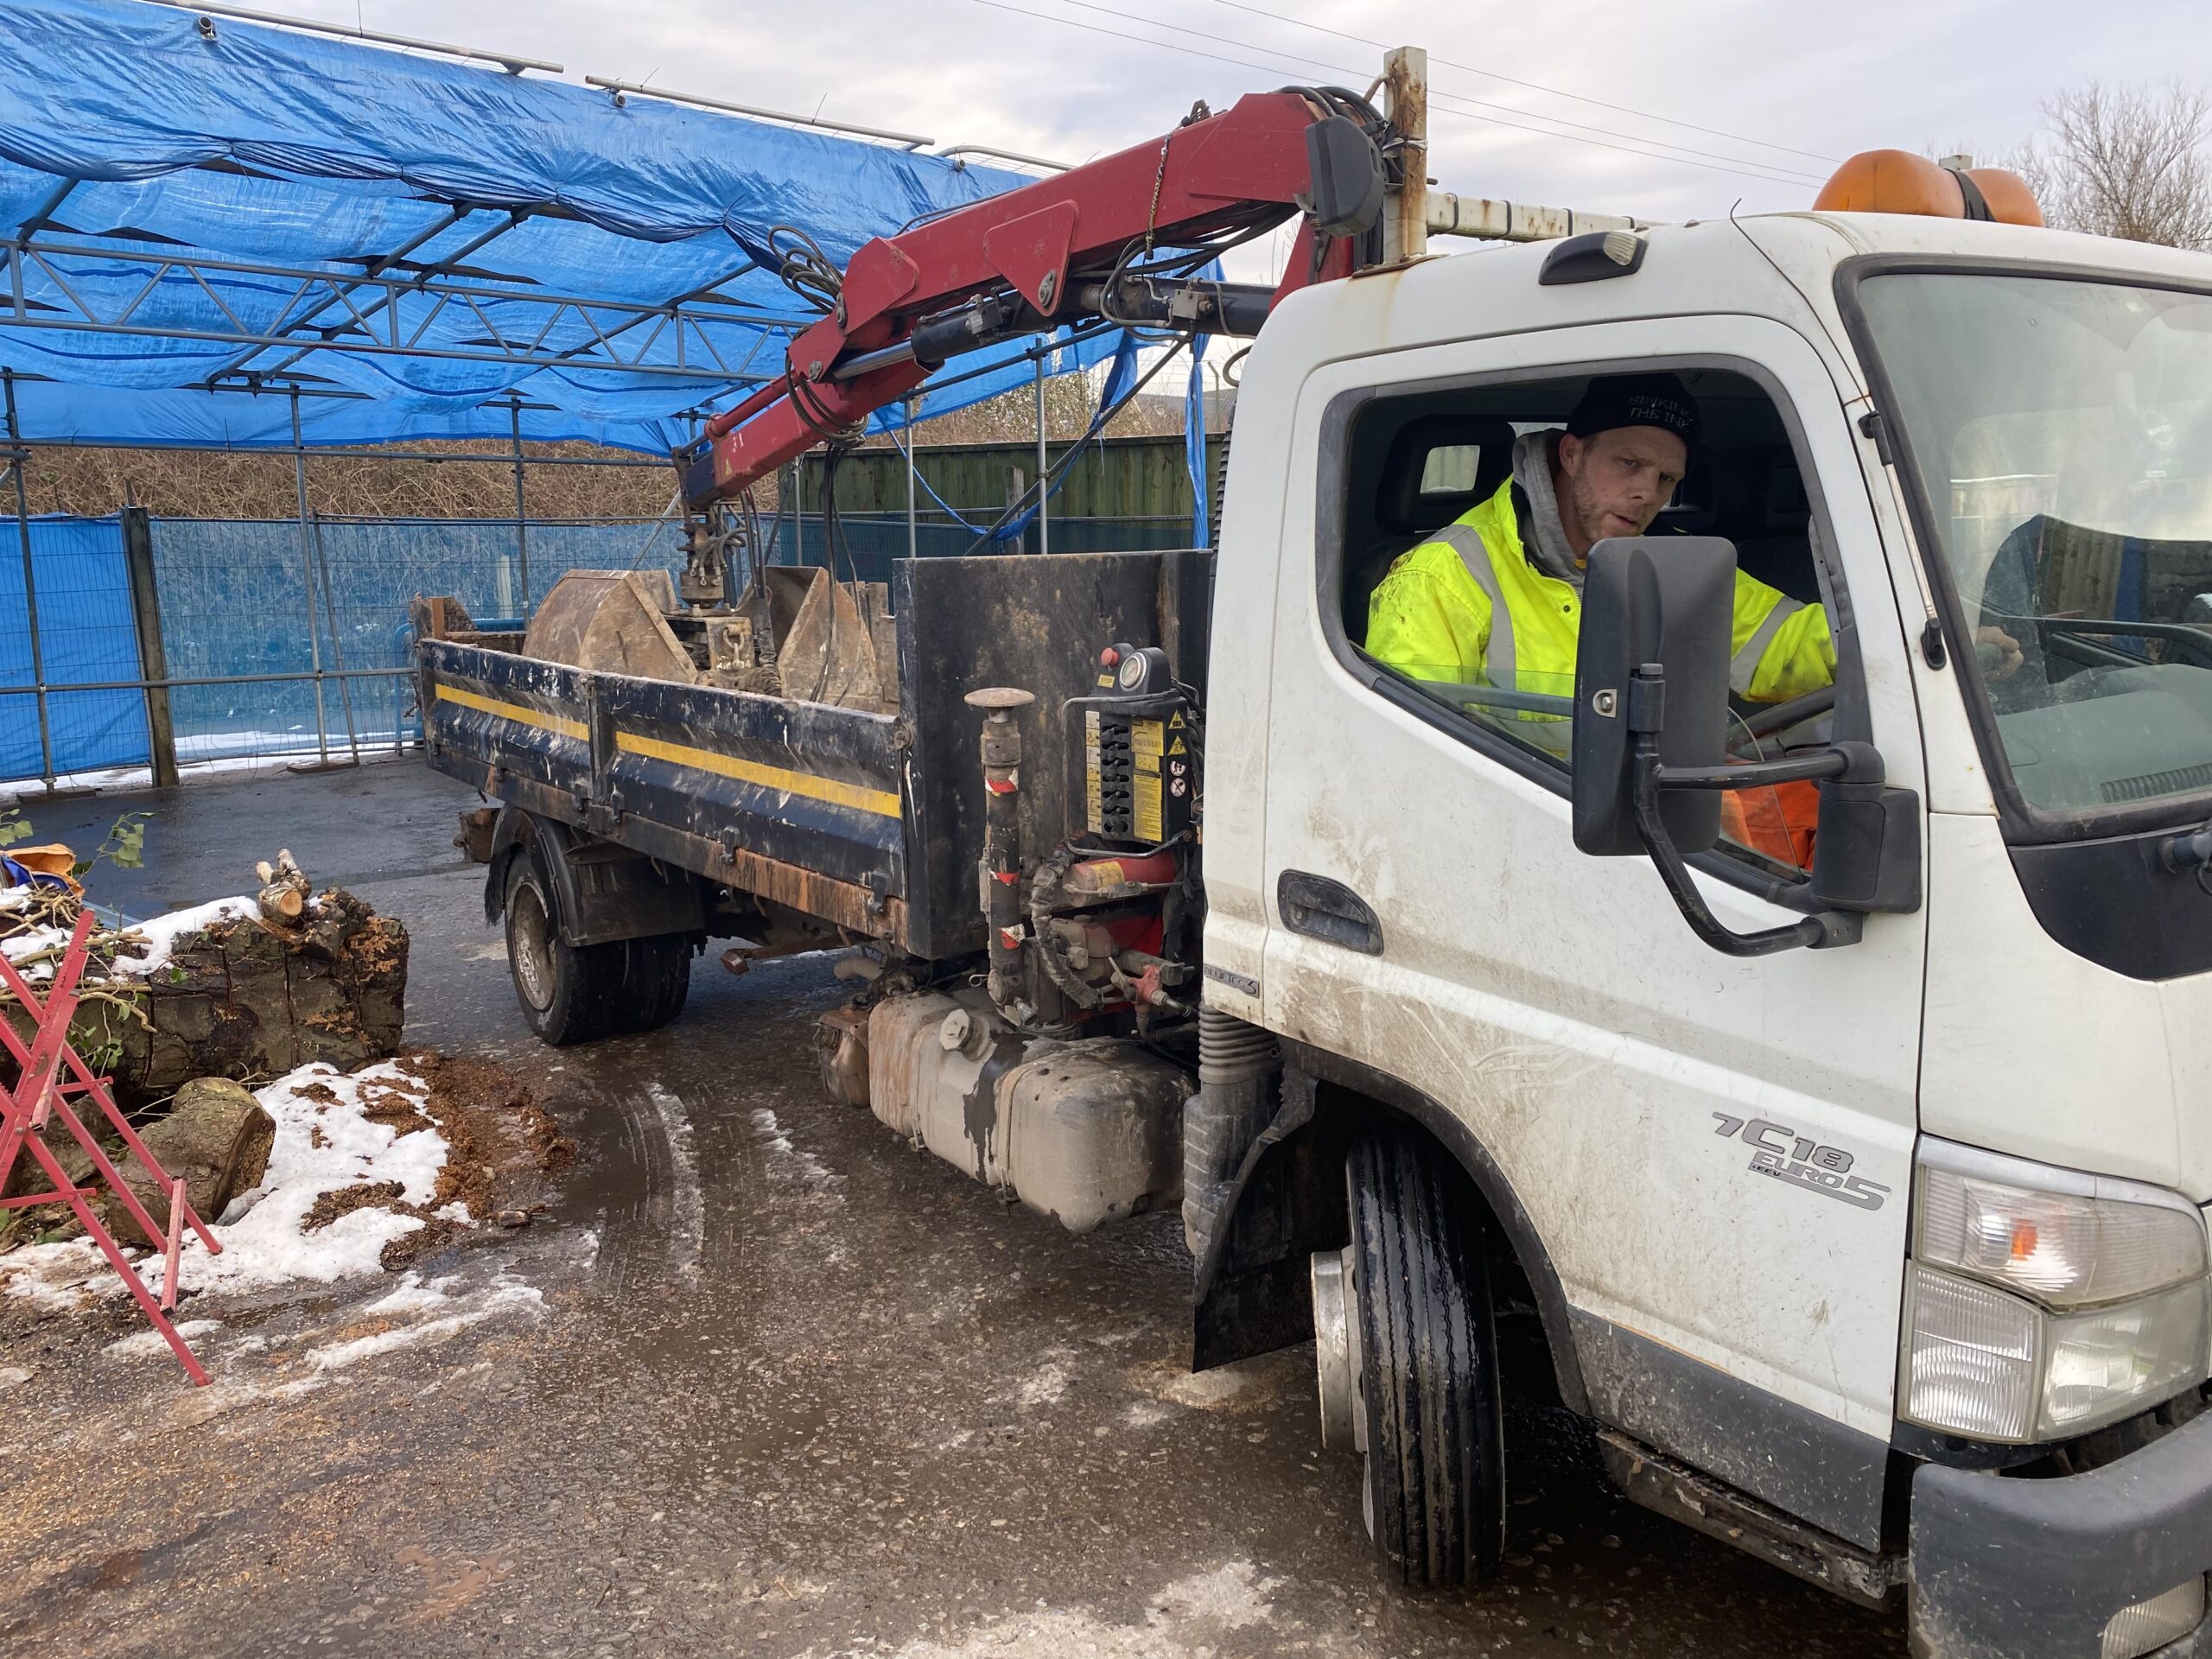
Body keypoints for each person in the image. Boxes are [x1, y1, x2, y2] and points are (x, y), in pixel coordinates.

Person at [1365, 373, 1837, 715]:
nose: (1647, 493)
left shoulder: (1674, 565)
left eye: (1667, 478)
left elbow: (1785, 646)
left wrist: (1888, 641)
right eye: (1629, 463)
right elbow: (1417, 750)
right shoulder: (1439, 577)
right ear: (1572, 455)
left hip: (1653, 814)